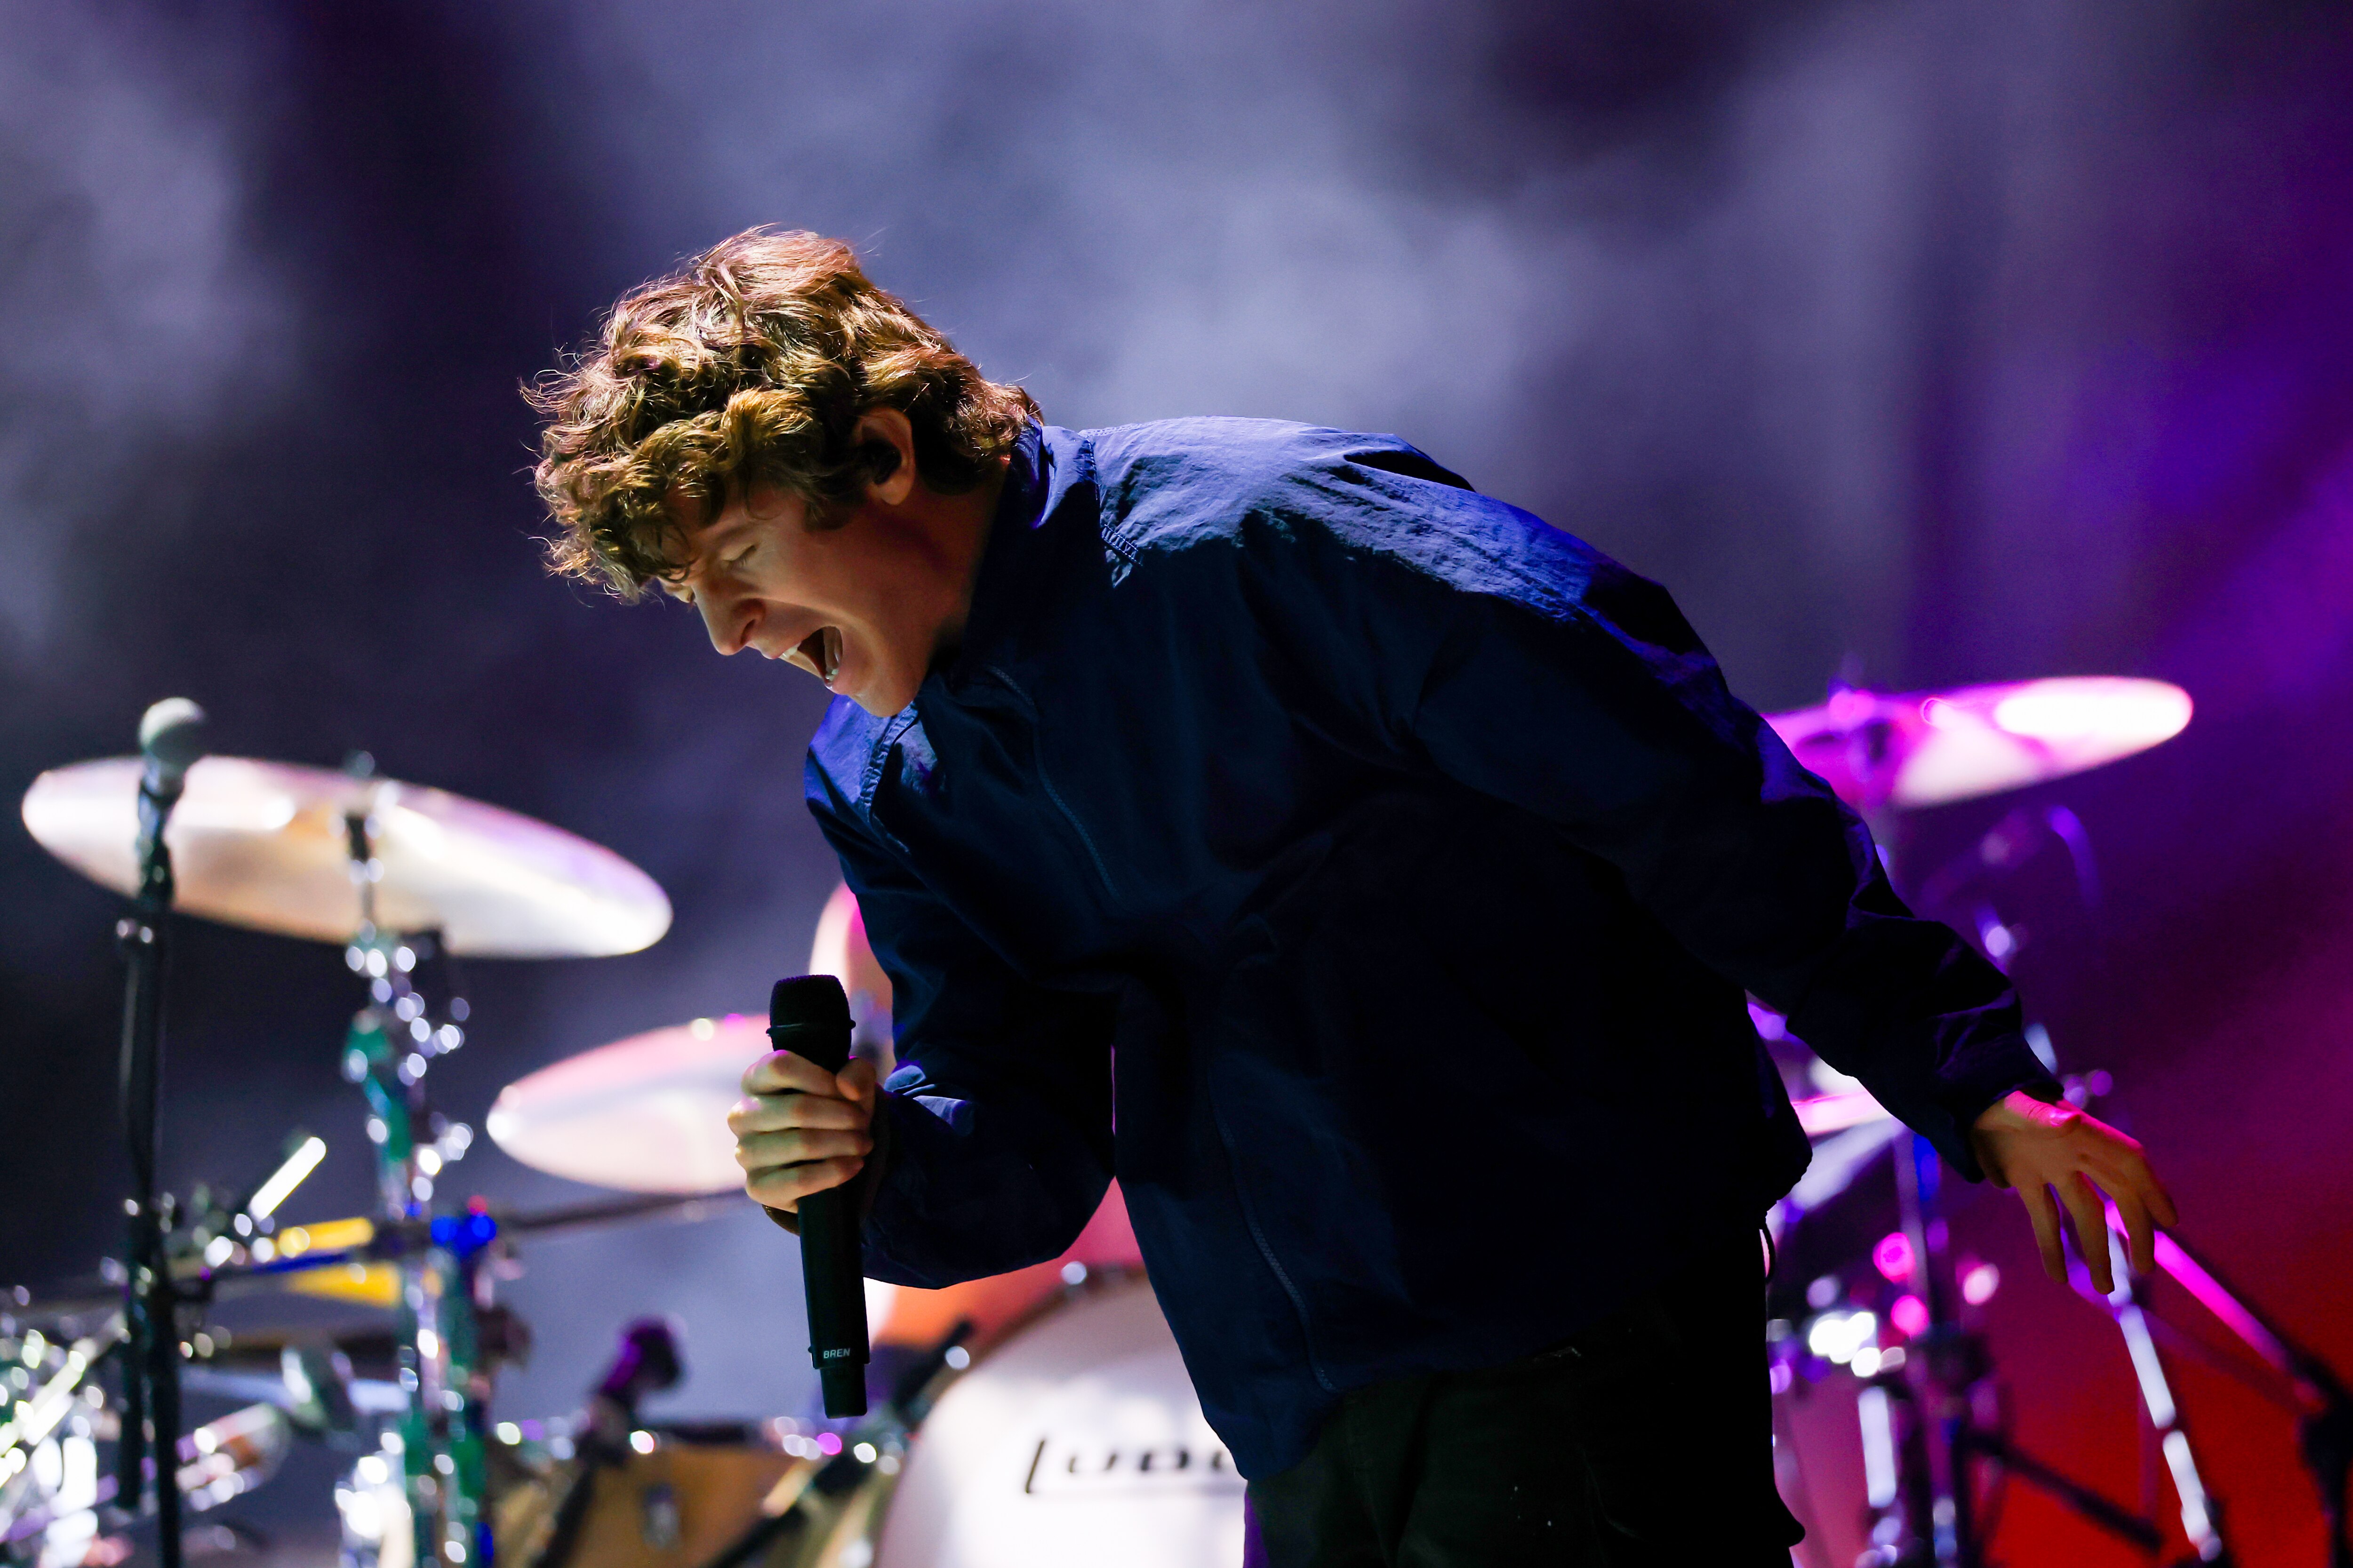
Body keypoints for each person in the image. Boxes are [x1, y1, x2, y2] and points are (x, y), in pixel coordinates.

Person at [528, 228, 2176, 1565]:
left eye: (736, 562)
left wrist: (1966, 1074)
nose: (729, 634)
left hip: (1578, 1318)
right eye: (693, 595)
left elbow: (1680, 779)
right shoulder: (886, 777)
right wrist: (874, 1163)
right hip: (1300, 1406)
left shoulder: (1267, 541)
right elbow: (1020, 1142)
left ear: (879, 453)